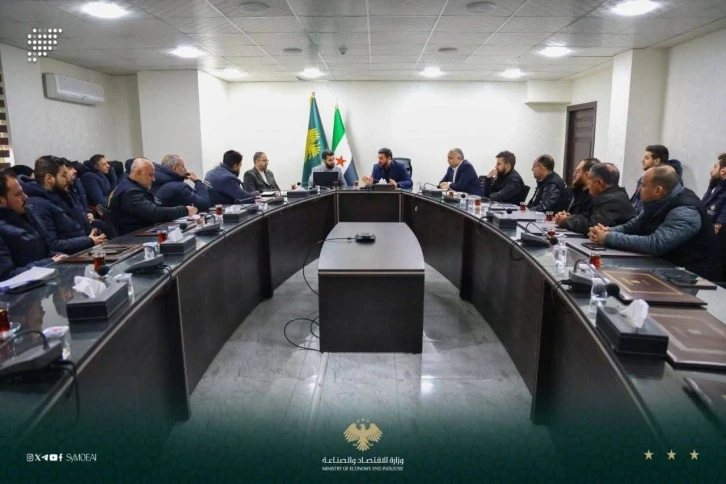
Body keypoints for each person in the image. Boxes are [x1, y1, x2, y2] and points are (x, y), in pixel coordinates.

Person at [589, 165, 720, 280]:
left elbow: (656, 244)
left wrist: (608, 238)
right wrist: (608, 231)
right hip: (667, 268)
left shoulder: (685, 211)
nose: (639, 190)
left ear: (658, 190)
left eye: (643, 185)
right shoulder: (660, 200)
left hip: (693, 278)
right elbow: (635, 224)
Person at [22, 156, 106, 254]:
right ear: (49, 178)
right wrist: (88, 241)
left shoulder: (64, 194)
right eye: (63, 175)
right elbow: (53, 245)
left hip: (85, 251)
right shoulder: (38, 205)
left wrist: (93, 236)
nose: (68, 179)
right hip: (71, 258)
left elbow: (79, 227)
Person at [0, 169, 66, 280]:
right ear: (1, 201)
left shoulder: (26, 214)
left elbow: (44, 251)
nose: (25, 197)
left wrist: (62, 257)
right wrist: (49, 262)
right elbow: (6, 277)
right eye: (18, 194)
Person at [108, 158, 197, 235]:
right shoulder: (129, 192)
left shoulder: (134, 187)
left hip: (142, 233)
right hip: (133, 238)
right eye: (150, 175)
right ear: (138, 172)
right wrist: (185, 210)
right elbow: (154, 213)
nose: (154, 179)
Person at [557, 163, 635, 235]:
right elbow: (587, 216)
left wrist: (565, 221)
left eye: (590, 180)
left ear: (600, 183)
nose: (588, 185)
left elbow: (592, 226)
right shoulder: (610, 195)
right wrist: (570, 218)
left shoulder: (613, 200)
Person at [630, 145, 683, 213]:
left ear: (657, 161)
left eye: (647, 158)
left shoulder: (668, 179)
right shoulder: (648, 176)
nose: (642, 161)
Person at [554, 158, 599, 226]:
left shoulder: (595, 197)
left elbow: (588, 222)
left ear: (587, 175)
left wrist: (567, 220)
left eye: (577, 171)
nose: (574, 174)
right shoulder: (574, 192)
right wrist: (563, 216)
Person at [702, 153, 726, 233]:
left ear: (723, 170)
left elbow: (719, 228)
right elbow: (702, 208)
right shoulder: (717, 187)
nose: (711, 171)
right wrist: (710, 187)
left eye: (715, 167)